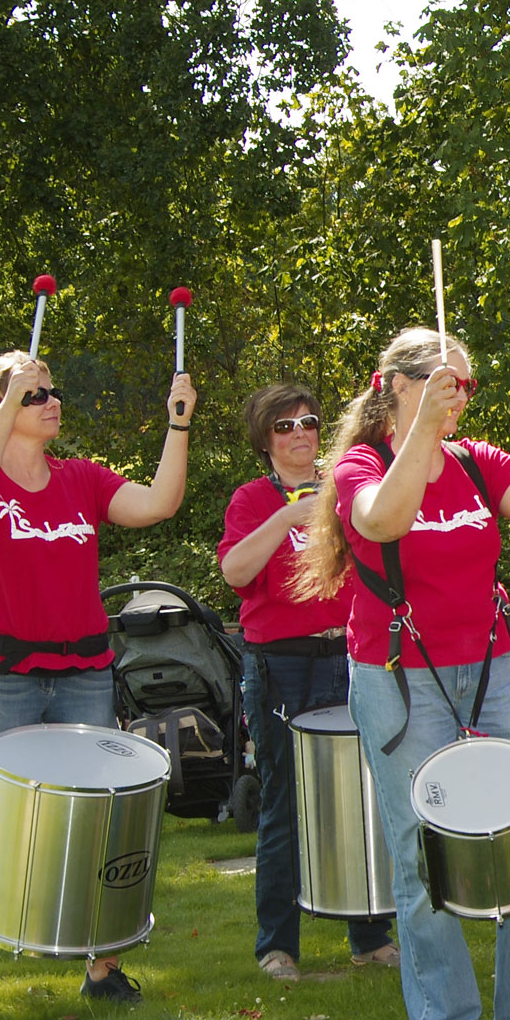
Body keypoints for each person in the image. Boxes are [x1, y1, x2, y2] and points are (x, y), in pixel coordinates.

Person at [296, 328, 510, 1020]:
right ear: (393, 383)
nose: (457, 399)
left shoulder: (478, 462)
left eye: (467, 386)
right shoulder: (364, 463)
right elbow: (380, 520)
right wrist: (420, 431)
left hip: (489, 670)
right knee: (421, 848)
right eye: (441, 383)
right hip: (396, 674)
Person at [0, 351, 196, 1020]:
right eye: (33, 395)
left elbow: (158, 504)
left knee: (100, 812)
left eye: (51, 391)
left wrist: (178, 425)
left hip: (83, 672)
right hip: (2, 679)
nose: (51, 401)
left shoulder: (80, 479)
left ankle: (102, 971)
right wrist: (3, 402)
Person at [220, 382, 395, 981]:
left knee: (367, 796)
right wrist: (286, 517)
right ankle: (278, 946)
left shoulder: (349, 486)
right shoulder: (250, 499)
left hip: (351, 656)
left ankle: (370, 935)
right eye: (284, 426)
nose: (300, 435)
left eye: (309, 423)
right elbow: (234, 571)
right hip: (281, 664)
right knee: (283, 802)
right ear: (264, 439)